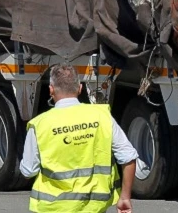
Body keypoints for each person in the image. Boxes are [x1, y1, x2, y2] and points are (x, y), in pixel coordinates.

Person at [21, 64, 137, 213]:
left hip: (53, 208)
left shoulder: (39, 124)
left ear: (50, 90)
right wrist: (125, 197)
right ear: (80, 88)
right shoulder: (102, 117)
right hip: (93, 207)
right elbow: (129, 157)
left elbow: (28, 170)